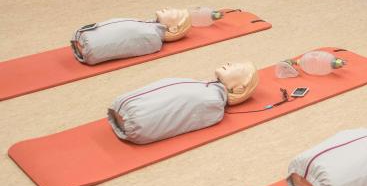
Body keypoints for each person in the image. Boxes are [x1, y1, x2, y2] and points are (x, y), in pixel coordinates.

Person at [107, 61, 259, 144]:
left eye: (237, 68)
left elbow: (179, 114)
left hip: (135, 120)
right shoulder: (204, 87)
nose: (229, 63)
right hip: (128, 111)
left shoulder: (212, 101)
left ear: (239, 89)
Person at [71, 7, 197, 65]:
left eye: (174, 14)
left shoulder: (151, 37)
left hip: (89, 45)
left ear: (173, 29)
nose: (169, 9)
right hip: (85, 38)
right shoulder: (147, 27)